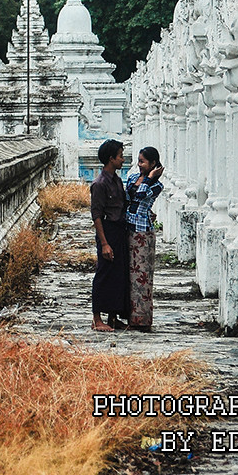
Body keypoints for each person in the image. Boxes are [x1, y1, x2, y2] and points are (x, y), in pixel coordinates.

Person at [90, 139, 130, 332]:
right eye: (120, 156)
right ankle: (97, 318)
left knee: (118, 274)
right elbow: (96, 215)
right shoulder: (100, 184)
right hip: (107, 230)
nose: (123, 159)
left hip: (119, 229)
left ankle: (112, 316)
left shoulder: (117, 180)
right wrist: (104, 243)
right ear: (111, 158)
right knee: (104, 273)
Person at [125, 146, 164, 331]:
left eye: (143, 161)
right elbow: (128, 198)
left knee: (142, 277)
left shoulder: (156, 185)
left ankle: (141, 319)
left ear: (153, 164)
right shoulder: (132, 178)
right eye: (138, 161)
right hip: (127, 228)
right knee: (128, 275)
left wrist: (149, 178)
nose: (139, 165)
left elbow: (140, 195)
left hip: (143, 232)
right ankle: (127, 314)